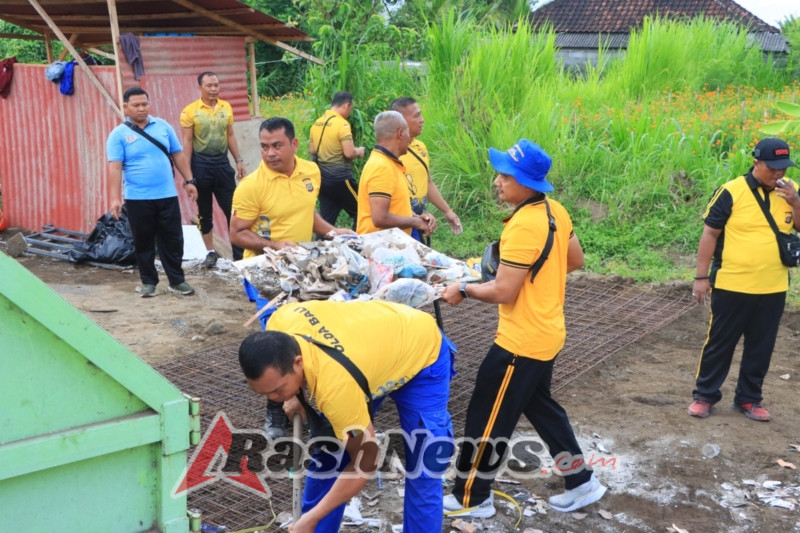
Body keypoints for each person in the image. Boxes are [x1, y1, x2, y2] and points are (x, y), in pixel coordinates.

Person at [439, 138, 606, 517]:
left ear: (526, 182)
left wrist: (464, 288)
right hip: (547, 330)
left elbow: (502, 290)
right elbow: (575, 259)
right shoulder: (554, 211)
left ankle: (471, 498)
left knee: (487, 415)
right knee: (541, 407)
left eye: (505, 175)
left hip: (521, 342)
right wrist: (534, 276)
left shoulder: (523, 226)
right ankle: (581, 482)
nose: (497, 181)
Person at [239, 300, 455, 533]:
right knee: (332, 452)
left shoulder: (335, 390)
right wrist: (290, 392)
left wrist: (311, 517)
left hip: (420, 347)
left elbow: (367, 462)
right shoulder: (280, 322)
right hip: (367, 355)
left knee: (424, 463)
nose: (274, 399)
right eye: (266, 392)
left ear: (298, 363)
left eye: (278, 389)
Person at [230, 117, 354, 438]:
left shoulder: (311, 172)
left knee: (309, 336)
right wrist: (273, 245)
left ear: (294, 145)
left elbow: (307, 211)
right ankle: (275, 413)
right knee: (276, 341)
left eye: (277, 145)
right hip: (264, 271)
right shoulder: (251, 187)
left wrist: (330, 230)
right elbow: (237, 233)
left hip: (301, 268)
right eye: (264, 147)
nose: (269, 153)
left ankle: (309, 404)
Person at [688, 138, 799, 422]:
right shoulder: (730, 192)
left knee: (761, 346)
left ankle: (749, 399)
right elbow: (709, 234)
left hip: (773, 287)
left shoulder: (790, 191)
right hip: (732, 284)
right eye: (773, 168)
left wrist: (796, 203)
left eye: (783, 168)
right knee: (720, 343)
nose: (779, 174)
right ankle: (705, 396)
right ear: (756, 163)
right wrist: (701, 277)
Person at [107, 87, 197, 298]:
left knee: (173, 239)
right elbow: (115, 167)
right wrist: (115, 199)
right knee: (144, 241)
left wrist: (189, 180)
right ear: (126, 107)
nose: (141, 109)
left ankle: (177, 280)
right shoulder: (118, 135)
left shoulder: (163, 127)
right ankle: (148, 282)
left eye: (144, 104)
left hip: (167, 195)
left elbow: (178, 155)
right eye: (136, 105)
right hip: (137, 198)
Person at [180, 71, 246, 266]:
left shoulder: (226, 107)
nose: (213, 89)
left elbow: (231, 135)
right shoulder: (190, 111)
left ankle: (238, 254)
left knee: (232, 209)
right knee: (204, 212)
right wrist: (188, 175)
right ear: (199, 87)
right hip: (200, 165)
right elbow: (188, 141)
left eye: (216, 85)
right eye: (209, 85)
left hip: (222, 164)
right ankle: (210, 252)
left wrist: (239, 160)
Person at [356, 110, 436, 237]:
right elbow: (380, 218)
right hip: (379, 247)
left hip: (391, 245)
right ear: (400, 133)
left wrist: (419, 218)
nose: (410, 138)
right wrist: (416, 222)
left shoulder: (390, 163)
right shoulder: (381, 167)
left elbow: (395, 207)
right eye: (408, 132)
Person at [391, 97, 462, 237]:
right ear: (401, 121)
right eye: (416, 116)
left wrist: (448, 211)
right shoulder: (393, 151)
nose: (422, 119)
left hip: (417, 220)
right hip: (398, 225)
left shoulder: (420, 147)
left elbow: (427, 182)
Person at [308, 91, 366, 228]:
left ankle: (322, 247)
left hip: (323, 182)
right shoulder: (342, 124)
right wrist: (359, 151)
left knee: (326, 223)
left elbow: (312, 150)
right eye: (351, 108)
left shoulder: (317, 123)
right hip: (341, 181)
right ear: (346, 105)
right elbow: (349, 153)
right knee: (363, 212)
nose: (350, 112)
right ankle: (357, 243)